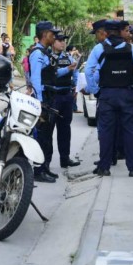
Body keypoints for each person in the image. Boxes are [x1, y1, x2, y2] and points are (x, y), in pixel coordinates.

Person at [84, 20, 133, 177]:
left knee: (106, 131)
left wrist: (95, 90)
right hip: (127, 94)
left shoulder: (99, 49)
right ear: (121, 32)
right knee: (130, 131)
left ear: (106, 32)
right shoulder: (132, 49)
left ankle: (104, 167)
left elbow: (88, 71)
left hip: (107, 95)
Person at [29, 21, 72, 183]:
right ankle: (38, 170)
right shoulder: (37, 53)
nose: (54, 36)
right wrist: (39, 102)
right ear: (45, 34)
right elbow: (35, 79)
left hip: (49, 98)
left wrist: (68, 70)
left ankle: (45, 167)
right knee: (42, 137)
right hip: (43, 100)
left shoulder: (45, 52)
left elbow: (51, 74)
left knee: (46, 136)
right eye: (52, 33)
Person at [50, 34, 81, 169]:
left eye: (64, 41)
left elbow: (75, 72)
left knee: (65, 129)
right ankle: (45, 163)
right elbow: (53, 73)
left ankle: (65, 158)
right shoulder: (48, 57)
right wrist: (67, 69)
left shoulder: (68, 57)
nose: (63, 43)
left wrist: (75, 85)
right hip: (53, 96)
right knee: (47, 130)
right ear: (53, 41)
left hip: (66, 95)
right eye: (60, 40)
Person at [67, 45, 83, 113]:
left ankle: (74, 108)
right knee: (72, 94)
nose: (75, 51)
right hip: (71, 78)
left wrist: (78, 55)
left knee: (75, 94)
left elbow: (78, 62)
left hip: (75, 77)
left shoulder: (74, 58)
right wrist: (72, 53)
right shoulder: (67, 56)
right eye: (74, 49)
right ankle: (72, 108)